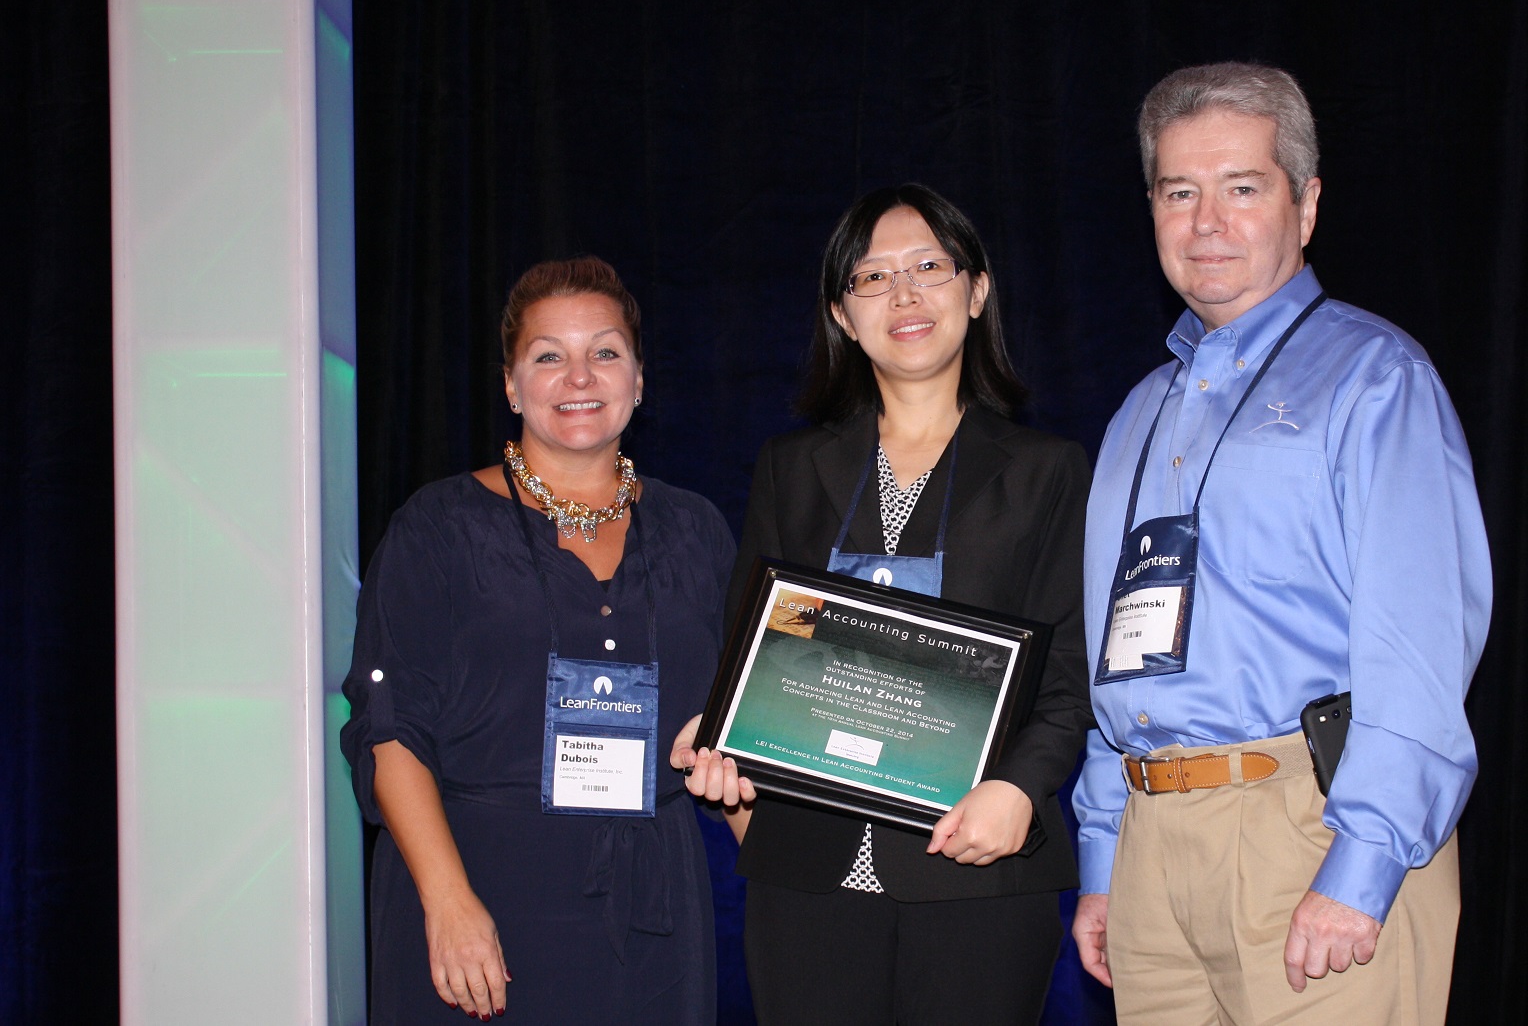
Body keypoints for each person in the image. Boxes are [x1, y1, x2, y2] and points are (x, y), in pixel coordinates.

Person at [1071, 62, 1492, 1023]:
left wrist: (1367, 858)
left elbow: (1421, 644)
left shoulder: (1377, 378)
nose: (1206, 221)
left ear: (1305, 205)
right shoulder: (1140, 412)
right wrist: (1106, 857)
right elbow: (1121, 648)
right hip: (1152, 852)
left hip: (1312, 835)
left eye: (1242, 188)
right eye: (1180, 192)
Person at [674, 183, 1092, 1023]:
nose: (904, 294)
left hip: (978, 863)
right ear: (843, 312)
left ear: (975, 294)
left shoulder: (1050, 470)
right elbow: (756, 649)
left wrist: (1019, 788)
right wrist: (722, 738)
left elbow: (1074, 670)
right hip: (807, 875)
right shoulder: (792, 467)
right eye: (872, 278)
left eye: (929, 267)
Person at [340, 257, 735, 1024]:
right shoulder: (439, 525)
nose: (579, 376)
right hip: (483, 899)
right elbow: (390, 730)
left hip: (653, 915)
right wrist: (449, 903)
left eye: (606, 352)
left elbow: (731, 722)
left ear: (640, 379)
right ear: (513, 385)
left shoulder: (698, 529)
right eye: (549, 355)